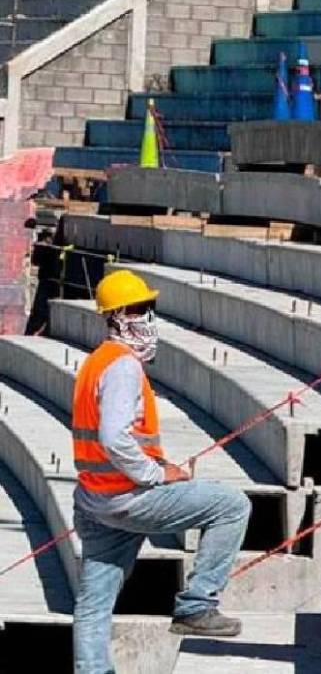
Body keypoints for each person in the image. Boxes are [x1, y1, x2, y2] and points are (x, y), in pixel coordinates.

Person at [73, 270, 251, 674]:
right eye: (138, 310)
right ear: (116, 317)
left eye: (149, 308)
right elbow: (114, 438)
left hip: (95, 499)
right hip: (129, 496)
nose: (147, 318)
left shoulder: (95, 362)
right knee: (231, 506)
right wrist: (156, 474)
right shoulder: (122, 367)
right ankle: (196, 605)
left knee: (94, 601)